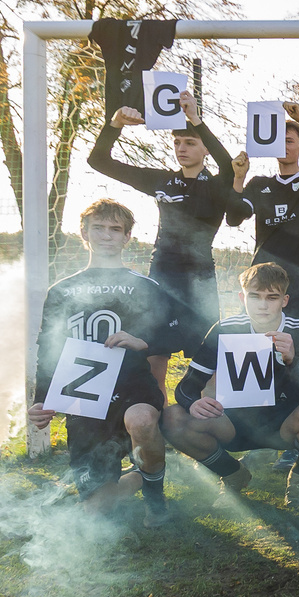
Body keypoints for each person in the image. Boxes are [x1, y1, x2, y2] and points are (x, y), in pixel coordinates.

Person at [28, 200, 169, 526]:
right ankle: (142, 473)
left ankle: (156, 500)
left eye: (115, 229)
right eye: (99, 228)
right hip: (84, 400)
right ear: (85, 233)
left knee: (142, 420)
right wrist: (41, 400)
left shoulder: (146, 287)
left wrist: (142, 341)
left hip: (133, 391)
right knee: (95, 511)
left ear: (127, 237)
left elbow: (172, 338)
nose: (107, 235)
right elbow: (49, 351)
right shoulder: (61, 290)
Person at [88, 90, 233, 387]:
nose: (181, 148)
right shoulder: (162, 181)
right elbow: (99, 160)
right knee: (155, 354)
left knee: (208, 359)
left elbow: (228, 165)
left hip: (200, 282)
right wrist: (114, 124)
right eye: (177, 142)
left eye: (190, 142)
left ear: (206, 149)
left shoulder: (218, 185)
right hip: (162, 276)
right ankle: (156, 417)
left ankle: (203, 421)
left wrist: (195, 119)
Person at [162, 263, 299, 509]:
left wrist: (291, 361)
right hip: (231, 424)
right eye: (255, 296)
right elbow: (186, 386)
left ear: (284, 300)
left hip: (283, 427)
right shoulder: (225, 329)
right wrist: (194, 402)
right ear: (243, 297)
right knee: (172, 417)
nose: (262, 305)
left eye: (271, 297)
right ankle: (232, 473)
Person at [227, 101, 299, 325]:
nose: (284, 145)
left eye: (290, 141)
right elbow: (233, 219)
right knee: (263, 345)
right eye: (279, 140)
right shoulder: (259, 184)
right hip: (265, 279)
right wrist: (239, 178)